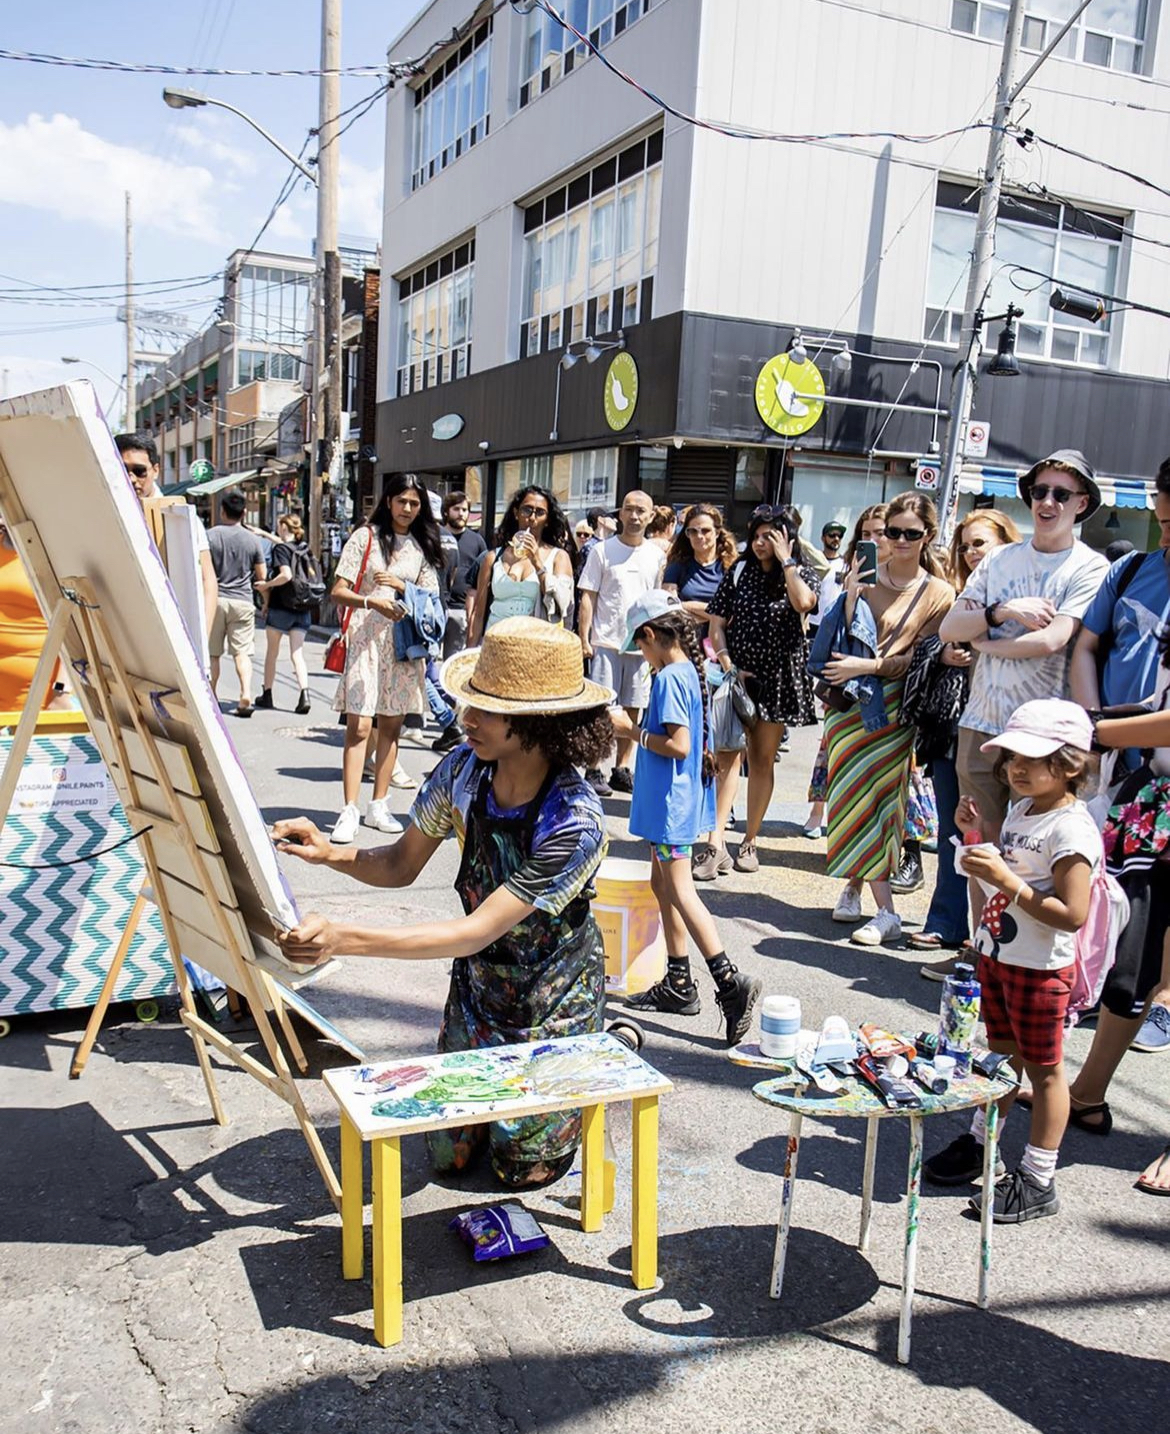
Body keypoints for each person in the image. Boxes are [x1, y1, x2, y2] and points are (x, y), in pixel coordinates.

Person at [273, 617, 616, 1187]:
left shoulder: (573, 820)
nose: (467, 718)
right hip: (480, 989)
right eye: (469, 702)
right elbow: (400, 865)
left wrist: (344, 939)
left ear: (537, 721)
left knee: (521, 1172)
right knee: (448, 1157)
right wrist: (327, 854)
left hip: (552, 1001)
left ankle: (598, 1045)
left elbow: (474, 930)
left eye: (486, 708)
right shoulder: (462, 769)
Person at [924, 700, 1101, 1224]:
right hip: (999, 957)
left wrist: (1007, 880)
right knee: (999, 1061)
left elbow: (1071, 913)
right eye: (1010, 758)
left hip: (1041, 969)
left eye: (1031, 758)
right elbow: (1005, 866)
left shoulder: (1072, 829)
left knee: (1045, 1074)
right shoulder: (1024, 811)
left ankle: (1038, 1177)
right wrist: (977, 837)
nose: (1015, 768)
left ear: (1069, 764)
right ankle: (983, 1144)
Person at [611, 593, 761, 1043]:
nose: (640, 655)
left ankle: (729, 982)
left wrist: (629, 730)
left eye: (640, 646)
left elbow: (676, 744)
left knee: (679, 888)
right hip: (669, 803)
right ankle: (679, 982)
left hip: (670, 805)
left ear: (652, 636)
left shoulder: (669, 679)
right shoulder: (681, 673)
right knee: (662, 886)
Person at [939, 450, 1110, 841]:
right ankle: (983, 909)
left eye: (1061, 495)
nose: (1047, 502)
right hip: (980, 723)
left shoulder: (1090, 566)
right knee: (978, 843)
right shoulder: (998, 558)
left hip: (1043, 731)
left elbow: (1053, 639)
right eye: (1039, 491)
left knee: (1030, 853)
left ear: (1081, 503)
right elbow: (950, 627)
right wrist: (1004, 611)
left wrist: (988, 644)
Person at [815, 492, 954, 945]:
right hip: (849, 702)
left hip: (892, 705)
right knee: (848, 797)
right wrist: (851, 595)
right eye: (892, 532)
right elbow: (840, 634)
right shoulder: (866, 574)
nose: (899, 541)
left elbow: (920, 659)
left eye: (911, 533)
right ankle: (854, 886)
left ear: (927, 536)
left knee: (880, 802)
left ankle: (887, 912)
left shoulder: (937, 592)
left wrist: (868, 667)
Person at [1066, 462, 1170, 1066]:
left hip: (1131, 751)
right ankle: (1089, 1089)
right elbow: (1087, 645)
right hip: (1133, 779)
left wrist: (1100, 728)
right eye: (1163, 504)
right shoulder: (1132, 569)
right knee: (1132, 918)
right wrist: (1095, 725)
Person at [908, 508, 1021, 976]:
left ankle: (1002, 946)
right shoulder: (959, 595)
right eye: (966, 545)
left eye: (981, 543)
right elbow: (927, 645)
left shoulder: (1019, 591)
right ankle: (952, 925)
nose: (972, 553)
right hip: (952, 727)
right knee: (960, 833)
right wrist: (945, 651)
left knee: (1007, 840)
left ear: (1005, 543)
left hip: (1006, 729)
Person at [706, 504, 819, 874]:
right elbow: (716, 624)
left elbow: (804, 603)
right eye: (755, 535)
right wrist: (728, 665)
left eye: (769, 536)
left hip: (779, 680)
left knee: (760, 760)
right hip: (739, 677)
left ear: (786, 538)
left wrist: (787, 561)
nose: (759, 543)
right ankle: (716, 840)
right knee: (727, 758)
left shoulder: (801, 573)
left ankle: (750, 841)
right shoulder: (739, 571)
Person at [329, 475, 442, 844]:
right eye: (402, 501)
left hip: (403, 643)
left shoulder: (423, 546)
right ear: (389, 501)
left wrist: (401, 587)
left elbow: (432, 598)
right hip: (365, 638)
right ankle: (349, 808)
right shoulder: (365, 537)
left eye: (414, 503)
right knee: (359, 725)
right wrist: (371, 600)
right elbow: (338, 590)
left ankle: (379, 805)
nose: (407, 509)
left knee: (391, 727)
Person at [805, 506, 887, 839]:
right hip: (845, 679)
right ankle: (818, 812)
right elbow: (842, 626)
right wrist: (852, 592)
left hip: (883, 682)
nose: (873, 541)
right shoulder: (849, 572)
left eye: (879, 533)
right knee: (832, 748)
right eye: (865, 535)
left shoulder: (911, 580)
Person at [577, 490, 665, 795]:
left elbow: (657, 603)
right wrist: (584, 637)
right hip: (605, 641)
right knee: (600, 708)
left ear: (651, 516)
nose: (635, 516)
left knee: (633, 709)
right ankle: (593, 768)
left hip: (642, 647)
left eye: (641, 510)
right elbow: (588, 595)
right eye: (629, 509)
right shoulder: (601, 551)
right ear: (620, 514)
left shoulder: (656, 555)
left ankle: (622, 768)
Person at [115, 431, 217, 636]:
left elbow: (208, 580)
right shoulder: (108, 514)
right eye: (123, 470)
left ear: (155, 470)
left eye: (139, 471)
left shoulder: (179, 518)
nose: (131, 478)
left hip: (172, 634)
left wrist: (200, 642)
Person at [469, 486, 574, 645]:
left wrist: (537, 562)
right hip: (494, 643)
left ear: (547, 521)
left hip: (533, 645)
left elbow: (562, 604)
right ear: (516, 513)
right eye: (527, 510)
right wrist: (469, 653)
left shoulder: (558, 557)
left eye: (540, 512)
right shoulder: (493, 557)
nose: (532, 518)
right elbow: (478, 613)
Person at [206, 489, 266, 717]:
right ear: (243, 513)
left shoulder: (210, 536)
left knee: (213, 654)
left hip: (215, 600)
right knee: (242, 653)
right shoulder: (253, 540)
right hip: (242, 601)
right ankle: (245, 695)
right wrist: (265, 602)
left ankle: (211, 696)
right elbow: (261, 577)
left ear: (222, 511)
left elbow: (202, 570)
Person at [253, 513, 313, 715]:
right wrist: (263, 533)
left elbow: (286, 575)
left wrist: (267, 584)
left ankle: (267, 693)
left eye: (279, 525)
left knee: (272, 652)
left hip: (281, 606)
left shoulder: (280, 550)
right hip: (302, 607)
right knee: (297, 654)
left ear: (284, 527)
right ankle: (305, 693)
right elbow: (282, 543)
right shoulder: (304, 548)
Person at [661, 503, 738, 633]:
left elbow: (731, 616)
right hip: (685, 642)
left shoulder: (731, 567)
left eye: (705, 530)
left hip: (722, 644)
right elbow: (669, 610)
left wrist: (686, 605)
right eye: (693, 531)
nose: (699, 536)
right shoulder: (677, 566)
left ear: (717, 532)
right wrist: (713, 614)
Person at [439, 490, 486, 660]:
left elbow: (482, 577)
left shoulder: (477, 540)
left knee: (453, 660)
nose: (461, 514)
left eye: (465, 510)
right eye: (456, 509)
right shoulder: (436, 536)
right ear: (446, 511)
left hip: (461, 610)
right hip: (437, 605)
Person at [807, 521, 847, 642]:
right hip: (812, 622)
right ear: (823, 538)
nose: (836, 539)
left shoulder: (845, 564)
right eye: (832, 535)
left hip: (833, 623)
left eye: (839, 536)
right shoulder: (813, 562)